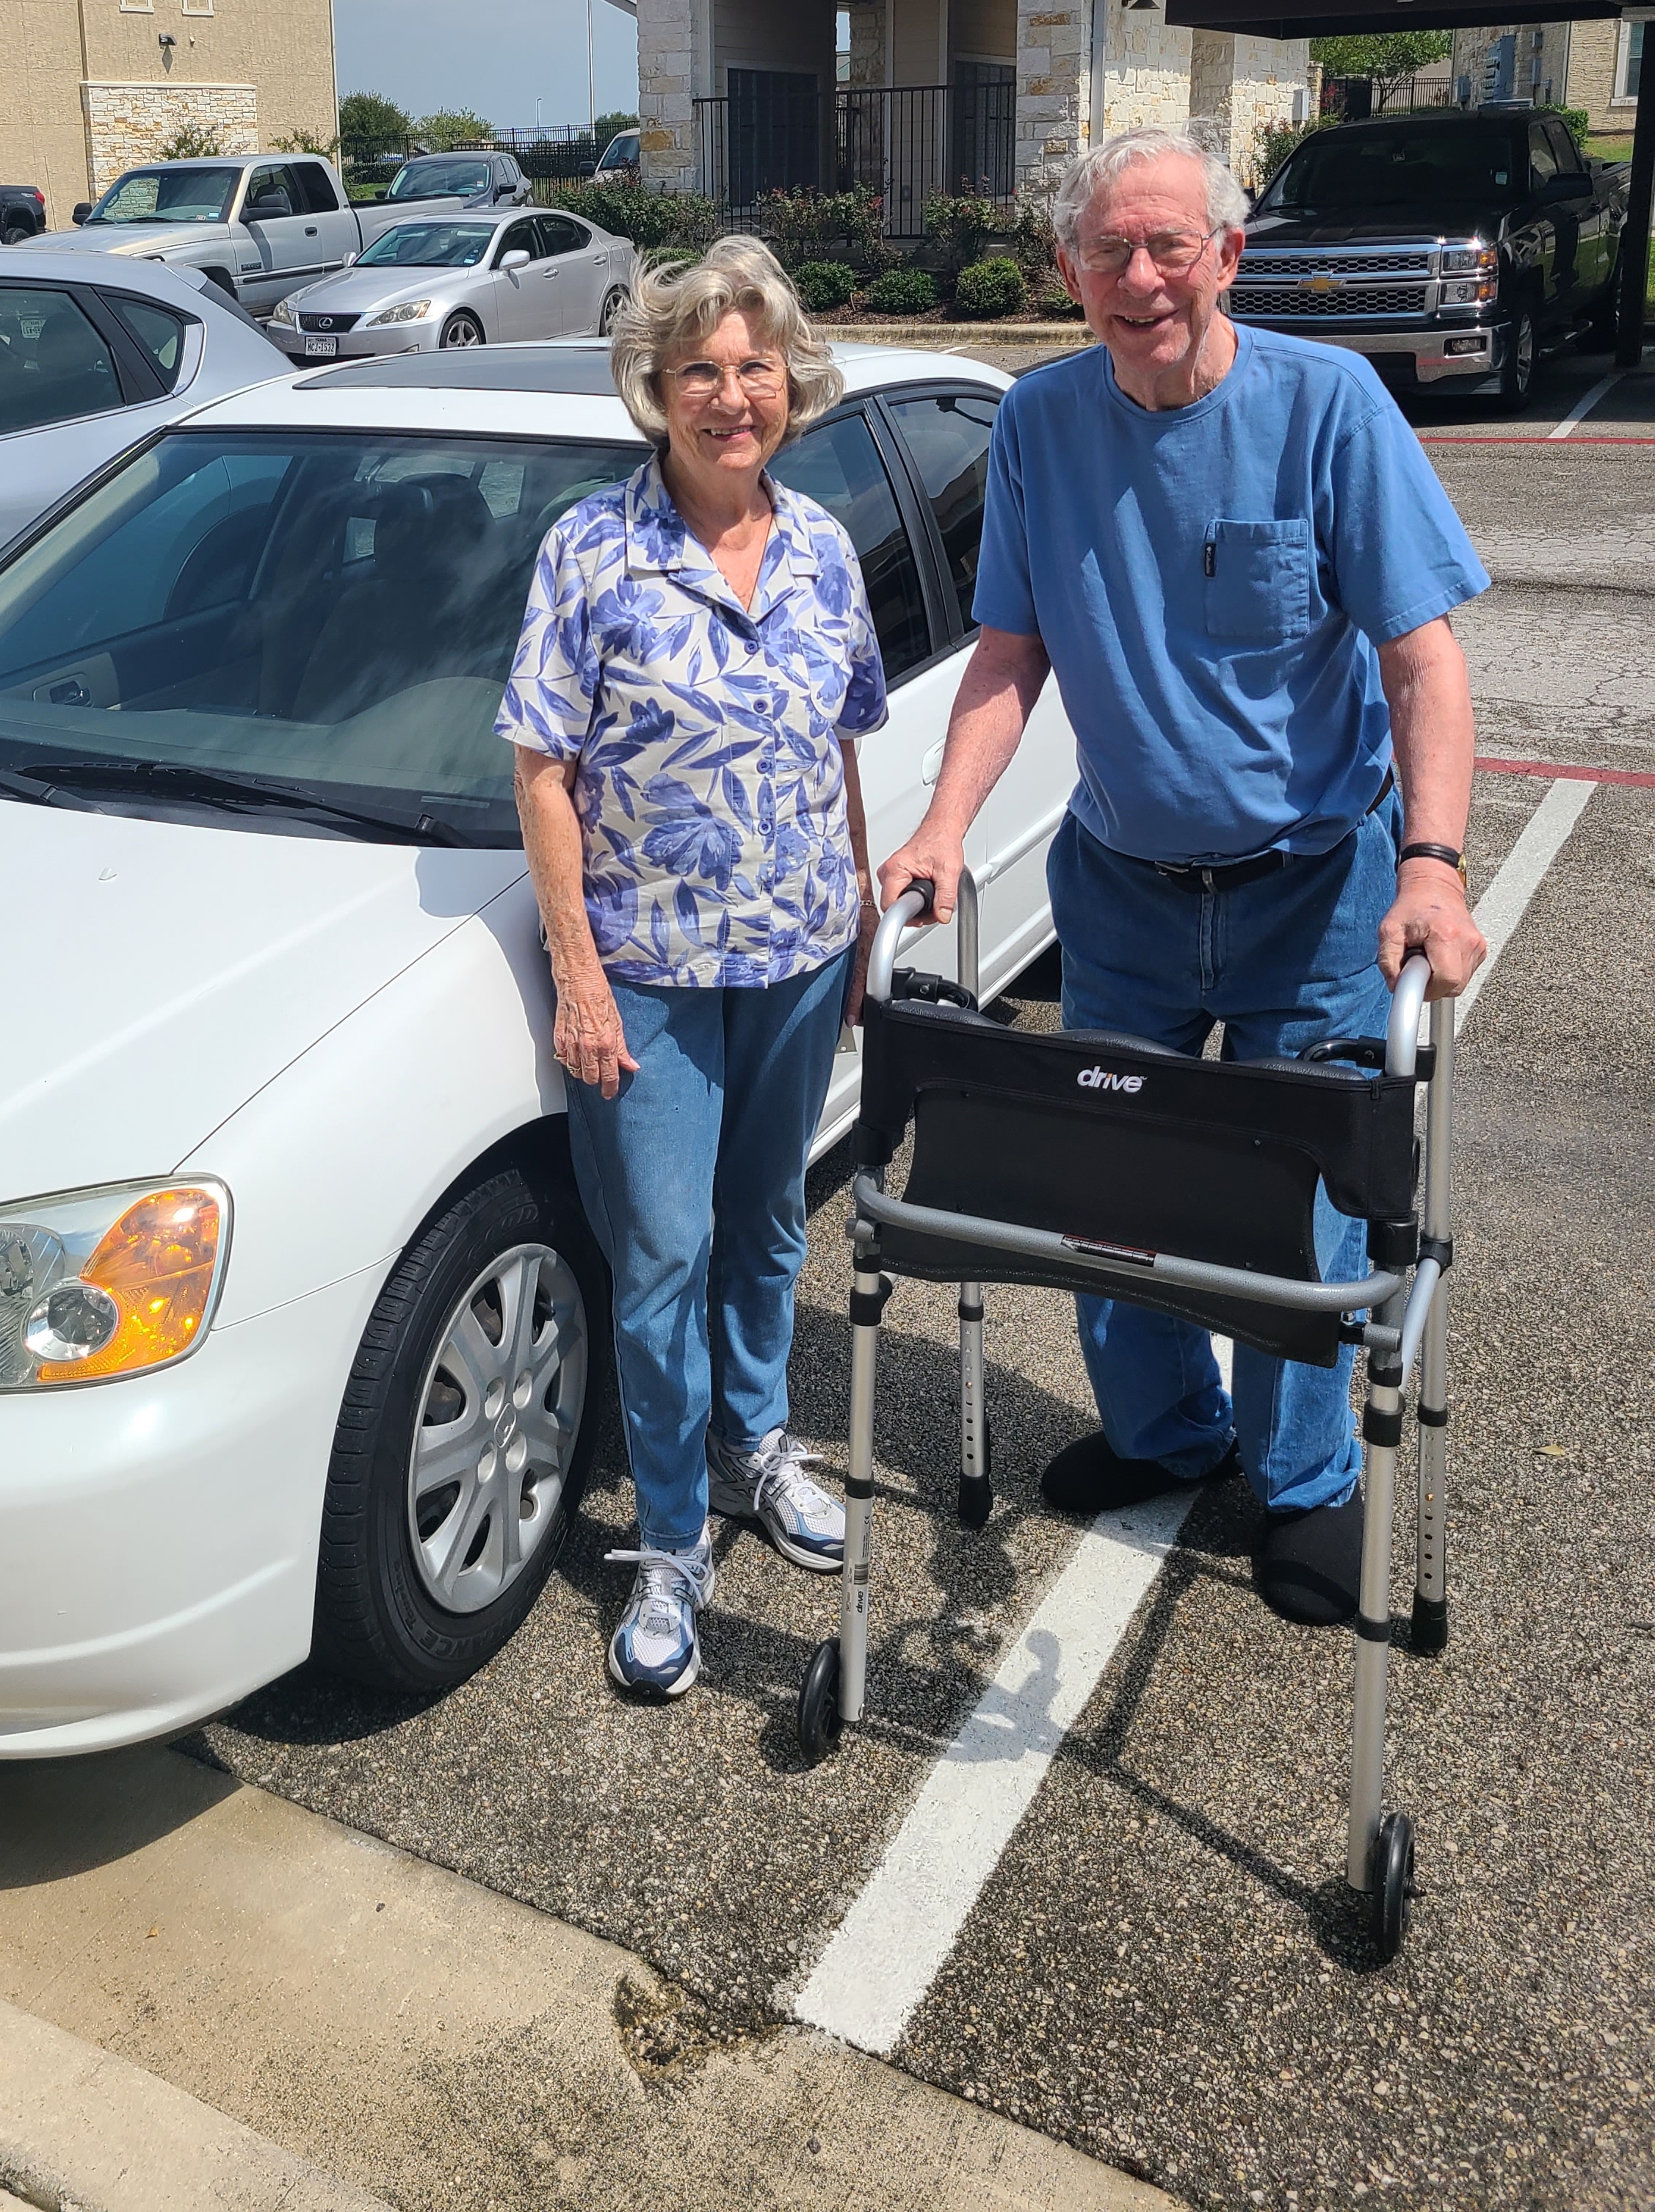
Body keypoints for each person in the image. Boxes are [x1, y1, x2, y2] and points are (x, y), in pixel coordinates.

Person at [880, 126, 1489, 1627]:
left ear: (1229, 256)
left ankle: (1302, 1489)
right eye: (1109, 251)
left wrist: (1432, 864)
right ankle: (1166, 1432)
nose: (1140, 279)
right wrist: (946, 823)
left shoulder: (1328, 406)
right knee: (1109, 1187)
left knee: (1303, 1212)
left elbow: (1423, 661)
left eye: (1170, 247)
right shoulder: (1040, 423)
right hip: (1127, 891)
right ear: (1072, 270)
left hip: (1313, 891)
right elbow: (1010, 653)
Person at [497, 238, 885, 1700]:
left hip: (792, 952)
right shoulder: (591, 553)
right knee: (658, 1259)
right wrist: (581, 983)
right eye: (700, 372)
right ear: (655, 392)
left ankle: (757, 1439)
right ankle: (669, 1541)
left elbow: (838, 740)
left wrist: (851, 906)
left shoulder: (826, 550)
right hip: (650, 970)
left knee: (771, 1223)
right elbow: (543, 775)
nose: (732, 395)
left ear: (791, 381)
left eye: (754, 367)